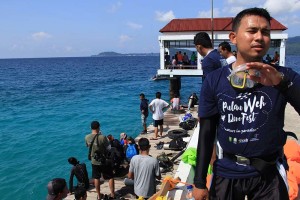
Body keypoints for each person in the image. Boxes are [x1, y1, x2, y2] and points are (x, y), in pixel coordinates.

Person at [193, 7, 300, 200]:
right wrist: (200, 182)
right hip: (227, 172)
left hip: (269, 174)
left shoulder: (283, 76)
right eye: (252, 31)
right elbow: (206, 132)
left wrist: (282, 83)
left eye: (265, 32)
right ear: (233, 37)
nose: (259, 37)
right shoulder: (214, 80)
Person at [85, 121, 115, 199]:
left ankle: (98, 195)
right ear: (99, 127)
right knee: (110, 177)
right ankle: (112, 194)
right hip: (104, 160)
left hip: (94, 161)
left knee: (96, 177)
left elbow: (88, 146)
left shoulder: (87, 137)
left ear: (90, 128)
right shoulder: (102, 137)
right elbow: (108, 148)